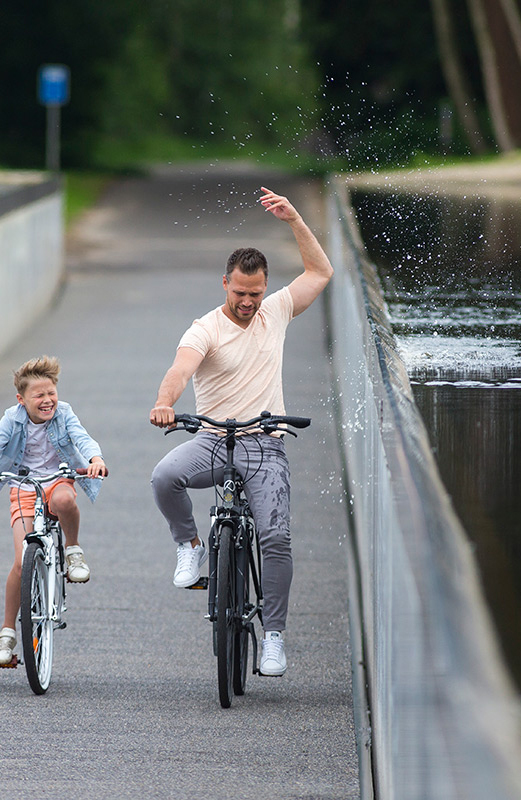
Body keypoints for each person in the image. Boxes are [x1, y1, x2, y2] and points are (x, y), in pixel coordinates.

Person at [148, 187, 333, 678]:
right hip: (212, 440)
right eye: (239, 293)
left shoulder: (276, 311)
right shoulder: (204, 328)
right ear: (224, 284)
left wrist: (294, 218)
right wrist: (166, 402)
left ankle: (272, 637)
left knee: (275, 537)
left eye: (256, 293)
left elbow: (321, 273)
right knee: (164, 476)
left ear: (264, 287)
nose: (249, 302)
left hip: (265, 445)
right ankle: (189, 548)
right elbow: (180, 369)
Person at [0, 355, 108, 667]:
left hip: (57, 479)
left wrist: (95, 458)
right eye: (39, 396)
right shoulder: (11, 418)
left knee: (63, 502)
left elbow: (81, 438)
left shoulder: (65, 413)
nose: (47, 401)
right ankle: (7, 632)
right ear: (21, 399)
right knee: (20, 562)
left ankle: (72, 549)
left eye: (51, 393)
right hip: (23, 486)